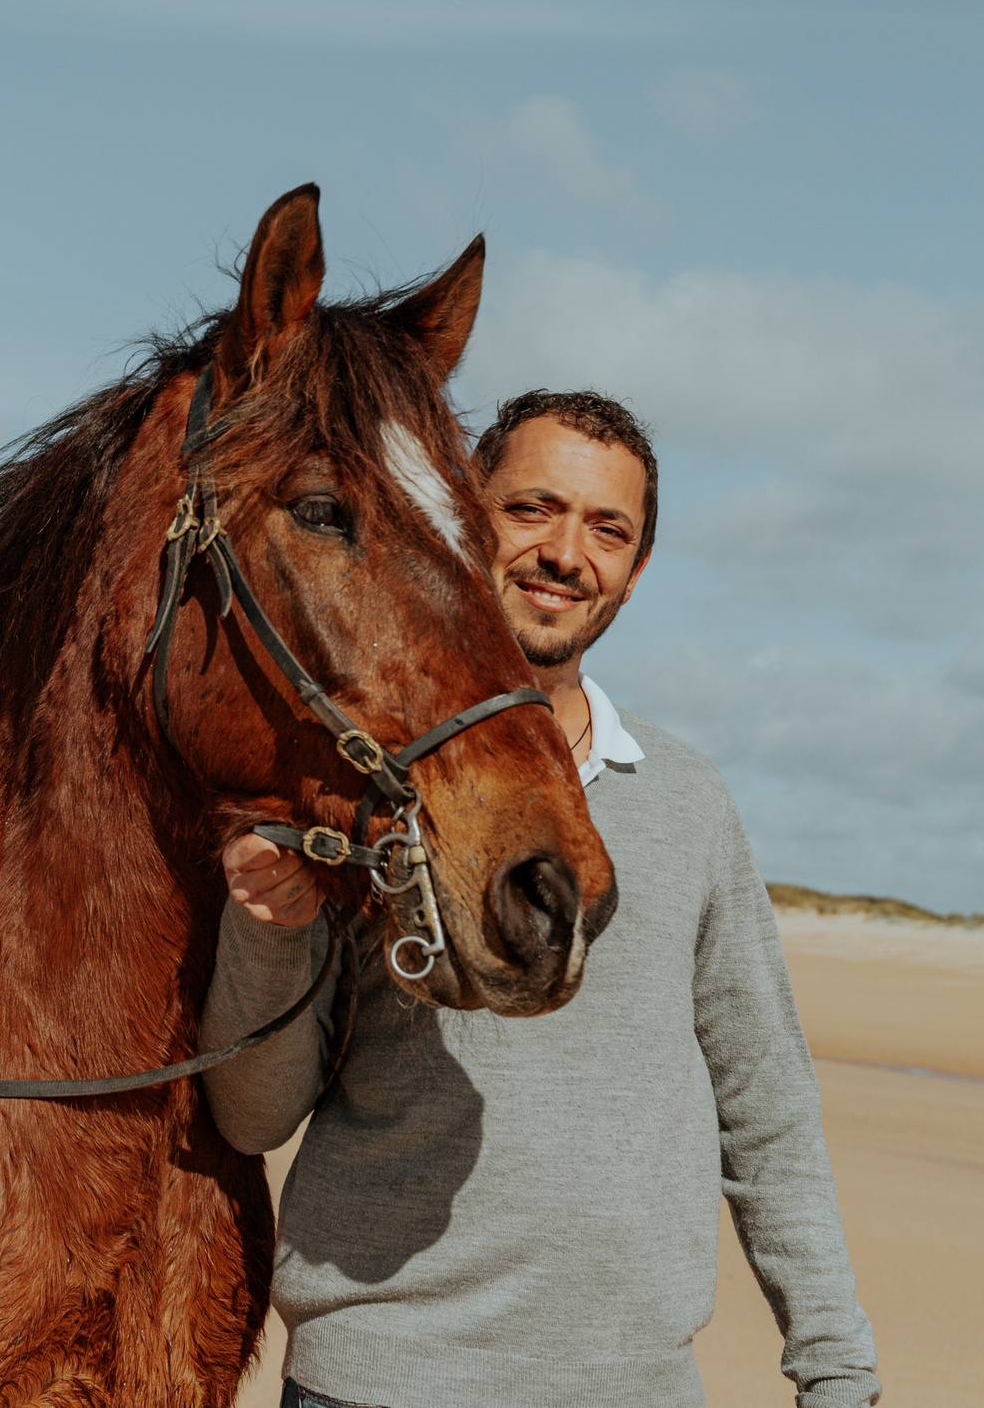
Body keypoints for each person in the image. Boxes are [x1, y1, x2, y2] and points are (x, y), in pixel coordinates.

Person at [201, 390, 881, 1408]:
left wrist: (833, 1364)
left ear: (635, 570)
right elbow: (255, 1115)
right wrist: (269, 931)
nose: (566, 552)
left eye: (607, 529)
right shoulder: (358, 781)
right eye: (532, 509)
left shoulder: (684, 798)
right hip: (378, 1384)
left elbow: (764, 1102)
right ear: (460, 515)